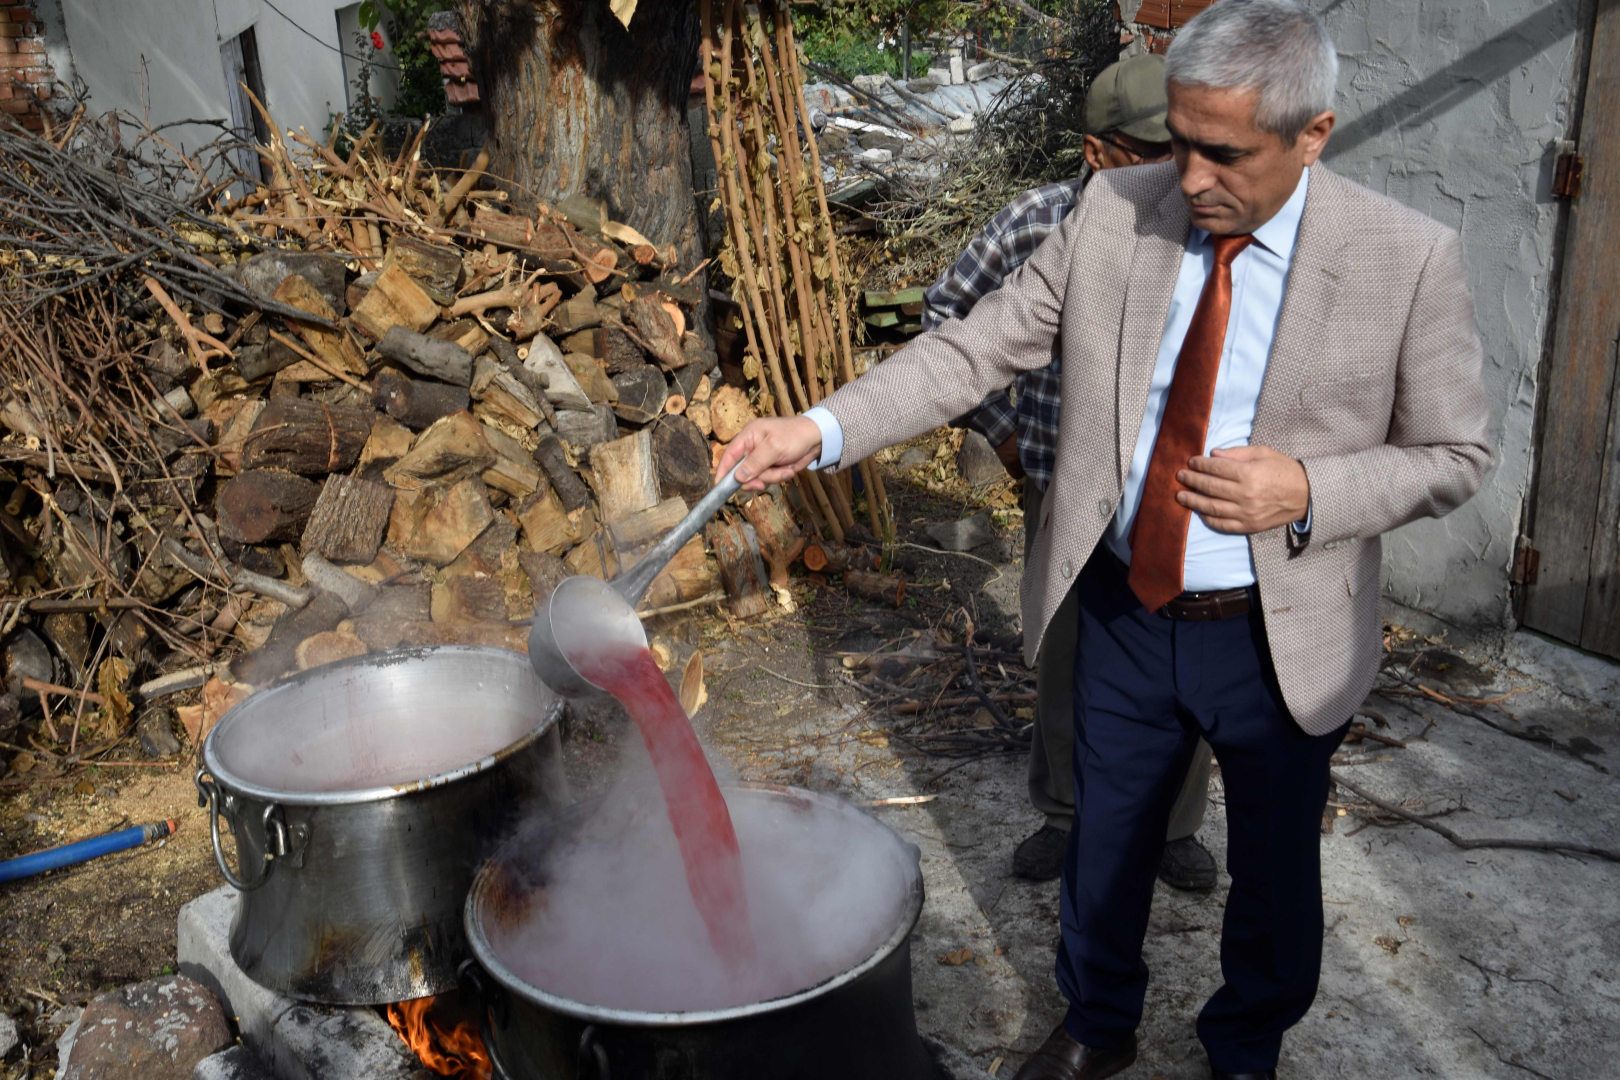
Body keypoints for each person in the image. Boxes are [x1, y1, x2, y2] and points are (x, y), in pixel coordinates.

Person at [718, 1, 1491, 1076]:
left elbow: (1456, 455)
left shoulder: (1405, 258)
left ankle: (1245, 1044)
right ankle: (1096, 1026)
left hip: (1281, 628)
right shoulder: (1113, 210)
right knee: (1107, 840)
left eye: (1224, 153)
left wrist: (1309, 487)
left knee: (1273, 873)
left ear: (1313, 133)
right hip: (1127, 604)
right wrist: (822, 427)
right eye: (1178, 141)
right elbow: (970, 351)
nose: (1189, 178)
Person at [928, 53, 1218, 892]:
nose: (1184, 169)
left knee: (1180, 659)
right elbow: (946, 314)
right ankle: (1064, 813)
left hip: (1176, 492)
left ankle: (1173, 827)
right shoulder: (1035, 226)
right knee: (1065, 651)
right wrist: (1003, 431)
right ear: (1098, 154)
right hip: (1060, 483)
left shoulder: (1206, 235)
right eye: (1159, 152)